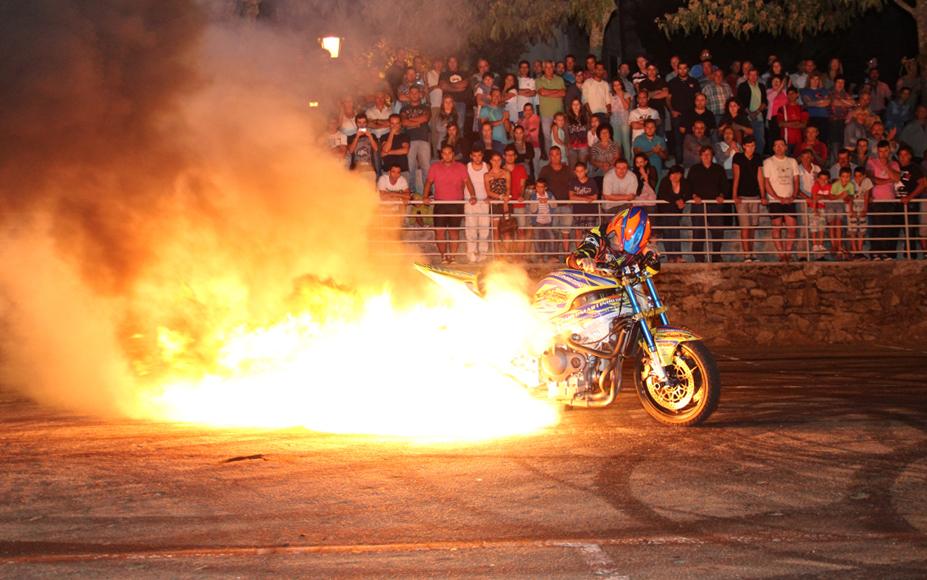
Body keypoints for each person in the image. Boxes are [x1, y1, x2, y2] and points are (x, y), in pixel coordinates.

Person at [423, 144, 477, 264]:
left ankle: (452, 257)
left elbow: (468, 182)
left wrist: (473, 195)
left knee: (454, 232)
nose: (447, 156)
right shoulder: (435, 167)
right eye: (444, 153)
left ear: (453, 154)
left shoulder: (461, 167)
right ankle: (443, 256)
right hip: (440, 204)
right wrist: (425, 196)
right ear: (441, 155)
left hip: (456, 204)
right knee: (439, 232)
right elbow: (428, 182)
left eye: (449, 153)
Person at [566, 206, 653, 273]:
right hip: (594, 284)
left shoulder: (636, 244)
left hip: (622, 285)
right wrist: (583, 259)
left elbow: (653, 269)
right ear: (613, 230)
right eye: (618, 240)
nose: (621, 249)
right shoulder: (598, 235)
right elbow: (574, 257)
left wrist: (652, 257)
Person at [686, 145, 729, 262]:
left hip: (715, 205)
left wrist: (721, 195)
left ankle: (716, 255)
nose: (706, 156)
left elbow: (725, 185)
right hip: (699, 205)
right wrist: (694, 196)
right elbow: (688, 186)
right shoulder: (694, 169)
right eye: (704, 154)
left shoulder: (719, 169)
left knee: (718, 231)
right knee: (698, 231)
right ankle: (699, 257)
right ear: (700, 156)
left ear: (712, 156)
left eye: (709, 154)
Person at [763, 139, 801, 261]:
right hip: (775, 200)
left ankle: (788, 253)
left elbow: (796, 180)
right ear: (773, 148)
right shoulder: (768, 162)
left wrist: (793, 196)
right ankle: (781, 254)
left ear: (786, 147)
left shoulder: (792, 161)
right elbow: (766, 182)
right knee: (776, 227)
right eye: (776, 145)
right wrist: (778, 198)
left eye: (781, 145)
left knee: (792, 228)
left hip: (790, 199)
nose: (779, 147)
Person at [732, 136, 765, 261]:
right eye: (749, 146)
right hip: (742, 196)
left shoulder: (757, 157)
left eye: (753, 146)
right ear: (744, 146)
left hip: (754, 195)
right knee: (745, 226)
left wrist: (762, 195)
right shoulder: (738, 157)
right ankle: (746, 254)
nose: (751, 148)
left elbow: (760, 177)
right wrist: (734, 195)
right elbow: (736, 177)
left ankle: (751, 252)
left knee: (752, 226)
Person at [537, 147, 574, 255]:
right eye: (552, 155)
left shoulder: (567, 170)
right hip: (551, 206)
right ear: (549, 156)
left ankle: (566, 256)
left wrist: (571, 199)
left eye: (557, 154)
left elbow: (574, 184)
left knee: (565, 232)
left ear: (560, 155)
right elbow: (540, 186)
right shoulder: (545, 170)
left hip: (566, 205)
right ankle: (555, 257)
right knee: (553, 232)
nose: (555, 157)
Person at [667, 61, 702, 162]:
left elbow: (698, 97)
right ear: (677, 70)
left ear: (688, 69)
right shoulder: (672, 82)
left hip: (692, 115)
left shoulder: (694, 81)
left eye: (684, 68)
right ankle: (679, 163)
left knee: (693, 139)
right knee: (678, 140)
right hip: (678, 115)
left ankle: (693, 161)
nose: (682, 70)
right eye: (680, 68)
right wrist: (672, 111)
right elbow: (668, 99)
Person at [400, 86, 432, 194]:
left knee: (426, 168)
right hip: (409, 141)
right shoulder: (403, 109)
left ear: (420, 94)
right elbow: (403, 122)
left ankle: (428, 193)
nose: (414, 94)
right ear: (408, 95)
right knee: (410, 168)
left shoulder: (425, 107)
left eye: (416, 92)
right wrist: (417, 123)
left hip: (423, 140)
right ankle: (412, 192)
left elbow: (425, 118)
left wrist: (410, 121)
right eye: (411, 92)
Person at [656, 165, 689, 261]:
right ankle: (672, 256)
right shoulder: (665, 181)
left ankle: (676, 256)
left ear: (681, 175)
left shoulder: (684, 183)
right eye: (673, 173)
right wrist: (676, 201)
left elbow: (689, 192)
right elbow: (662, 195)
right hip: (664, 210)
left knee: (674, 230)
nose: (675, 176)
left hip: (676, 211)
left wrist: (682, 200)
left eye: (678, 174)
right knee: (669, 231)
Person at [464, 145, 490, 263]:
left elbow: (491, 183)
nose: (477, 158)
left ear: (482, 155)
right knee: (471, 229)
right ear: (471, 156)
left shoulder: (487, 166)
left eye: (479, 155)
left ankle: (483, 253)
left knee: (484, 229)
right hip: (470, 201)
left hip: (484, 201)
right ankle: (471, 253)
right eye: (474, 156)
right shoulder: (467, 167)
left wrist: (489, 196)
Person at [503, 145, 530, 254]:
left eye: (512, 155)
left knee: (521, 231)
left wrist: (521, 195)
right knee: (506, 233)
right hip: (506, 205)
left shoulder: (521, 168)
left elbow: (522, 185)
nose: (510, 157)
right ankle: (507, 257)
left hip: (519, 204)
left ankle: (520, 257)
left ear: (515, 156)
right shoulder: (500, 170)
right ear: (504, 156)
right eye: (508, 155)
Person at [537, 61, 567, 152]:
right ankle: (551, 161)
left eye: (551, 67)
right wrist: (557, 92)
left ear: (553, 68)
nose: (549, 69)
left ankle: (562, 158)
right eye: (546, 67)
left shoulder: (560, 80)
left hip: (559, 114)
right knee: (548, 139)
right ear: (543, 69)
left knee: (561, 137)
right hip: (546, 114)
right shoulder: (538, 80)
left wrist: (547, 93)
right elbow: (542, 92)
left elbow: (563, 93)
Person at [736, 68, 768, 154]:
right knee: (747, 141)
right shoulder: (743, 86)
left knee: (760, 141)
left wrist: (756, 112)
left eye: (755, 75)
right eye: (751, 75)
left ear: (757, 76)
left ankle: (758, 159)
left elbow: (764, 102)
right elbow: (740, 102)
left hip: (759, 117)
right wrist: (750, 113)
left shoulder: (761, 86)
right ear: (748, 76)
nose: (753, 77)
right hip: (746, 118)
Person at [568, 161, 600, 243]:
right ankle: (579, 254)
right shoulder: (573, 182)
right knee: (578, 233)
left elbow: (595, 197)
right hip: (578, 211)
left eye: (581, 171)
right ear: (575, 172)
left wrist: (578, 197)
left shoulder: (592, 181)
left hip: (591, 211)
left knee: (591, 234)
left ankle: (591, 253)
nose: (579, 173)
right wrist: (586, 198)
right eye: (577, 171)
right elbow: (571, 197)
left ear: (586, 171)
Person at [827, 167, 855, 258]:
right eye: (843, 176)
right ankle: (833, 244)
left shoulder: (851, 185)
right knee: (832, 224)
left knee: (839, 224)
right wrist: (841, 195)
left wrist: (851, 209)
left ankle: (838, 245)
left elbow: (851, 198)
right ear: (840, 177)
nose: (845, 179)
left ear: (850, 177)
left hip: (840, 205)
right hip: (831, 205)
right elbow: (831, 197)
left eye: (847, 177)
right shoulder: (835, 185)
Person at [528, 178, 558, 261]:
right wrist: (538, 202)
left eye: (541, 187)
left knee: (551, 237)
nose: (539, 188)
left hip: (548, 221)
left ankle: (551, 257)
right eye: (537, 186)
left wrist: (547, 200)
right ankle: (540, 257)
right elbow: (532, 210)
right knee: (537, 239)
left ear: (545, 188)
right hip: (538, 221)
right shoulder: (533, 196)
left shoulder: (550, 195)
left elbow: (555, 205)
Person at [847, 167, 873, 258]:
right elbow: (850, 196)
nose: (858, 178)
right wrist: (851, 209)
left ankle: (860, 250)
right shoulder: (851, 182)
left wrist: (865, 208)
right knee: (852, 229)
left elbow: (867, 195)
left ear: (864, 176)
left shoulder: (867, 181)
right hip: (853, 206)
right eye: (856, 176)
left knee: (862, 229)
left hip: (862, 206)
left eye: (860, 176)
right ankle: (855, 251)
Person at [380, 114, 411, 184]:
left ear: (400, 124)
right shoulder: (384, 136)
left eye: (397, 123)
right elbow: (385, 149)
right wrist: (392, 133)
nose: (394, 126)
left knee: (403, 194)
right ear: (389, 124)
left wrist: (388, 153)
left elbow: (405, 150)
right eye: (392, 124)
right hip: (387, 170)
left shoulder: (404, 136)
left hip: (402, 170)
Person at [439, 56, 469, 127]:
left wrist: (448, 85)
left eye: (454, 61)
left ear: (457, 63)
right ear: (448, 63)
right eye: (450, 62)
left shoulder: (464, 73)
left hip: (460, 102)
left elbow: (464, 84)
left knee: (459, 125)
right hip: (447, 103)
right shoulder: (443, 74)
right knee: (446, 125)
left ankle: (459, 138)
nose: (452, 63)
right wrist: (457, 88)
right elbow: (442, 86)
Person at [777, 87, 808, 153]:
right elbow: (780, 124)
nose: (791, 95)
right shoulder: (782, 109)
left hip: (799, 140)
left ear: (797, 95)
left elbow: (803, 125)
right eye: (789, 94)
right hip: (785, 141)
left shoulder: (802, 108)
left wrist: (786, 124)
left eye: (793, 93)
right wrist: (796, 122)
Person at [808, 171, 832, 254]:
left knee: (822, 227)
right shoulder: (816, 186)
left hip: (823, 208)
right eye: (821, 179)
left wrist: (821, 196)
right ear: (818, 179)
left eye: (825, 179)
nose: (823, 181)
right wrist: (815, 210)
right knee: (814, 227)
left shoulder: (829, 186)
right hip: (814, 208)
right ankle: (815, 244)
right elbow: (814, 198)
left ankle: (820, 244)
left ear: (828, 180)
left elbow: (830, 196)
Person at [609, 77, 632, 157]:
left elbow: (626, 107)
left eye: (618, 85)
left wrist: (621, 96)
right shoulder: (610, 95)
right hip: (614, 121)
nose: (617, 87)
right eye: (615, 85)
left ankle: (629, 162)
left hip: (624, 121)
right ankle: (618, 162)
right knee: (617, 143)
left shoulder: (626, 94)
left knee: (626, 142)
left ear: (621, 85)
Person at [565, 97, 590, 167]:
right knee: (573, 167)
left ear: (580, 106)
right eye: (574, 104)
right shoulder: (567, 118)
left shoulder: (586, 116)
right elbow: (566, 132)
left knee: (582, 166)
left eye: (577, 104)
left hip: (583, 146)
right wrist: (567, 143)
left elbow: (588, 130)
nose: (576, 106)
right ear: (571, 106)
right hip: (571, 146)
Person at [426, 57, 444, 148]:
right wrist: (437, 86)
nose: (438, 65)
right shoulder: (429, 74)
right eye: (437, 63)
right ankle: (435, 153)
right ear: (433, 64)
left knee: (442, 128)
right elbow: (426, 90)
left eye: (440, 63)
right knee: (433, 129)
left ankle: (442, 150)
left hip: (444, 106)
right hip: (434, 105)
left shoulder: (444, 75)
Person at [521, 104, 542, 176]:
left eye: (530, 110)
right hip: (527, 148)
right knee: (529, 169)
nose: (528, 112)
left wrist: (526, 132)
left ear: (533, 110)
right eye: (526, 110)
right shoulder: (523, 121)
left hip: (536, 146)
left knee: (537, 168)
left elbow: (531, 132)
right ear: (523, 111)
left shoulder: (535, 118)